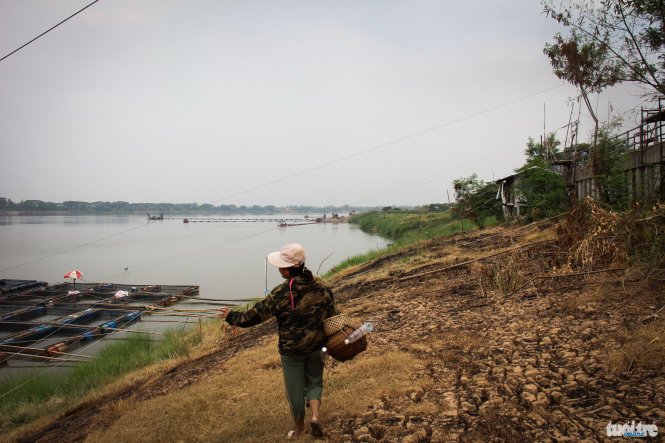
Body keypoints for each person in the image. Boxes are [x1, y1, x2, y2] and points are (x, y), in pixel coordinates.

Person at [217, 243, 337, 439]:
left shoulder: (280, 293)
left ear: (288, 269)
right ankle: (315, 416)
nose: (279, 268)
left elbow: (253, 317)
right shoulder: (322, 287)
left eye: (281, 265)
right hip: (318, 346)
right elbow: (334, 315)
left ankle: (300, 431)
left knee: (295, 391)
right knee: (315, 382)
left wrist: (232, 316)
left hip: (291, 351)